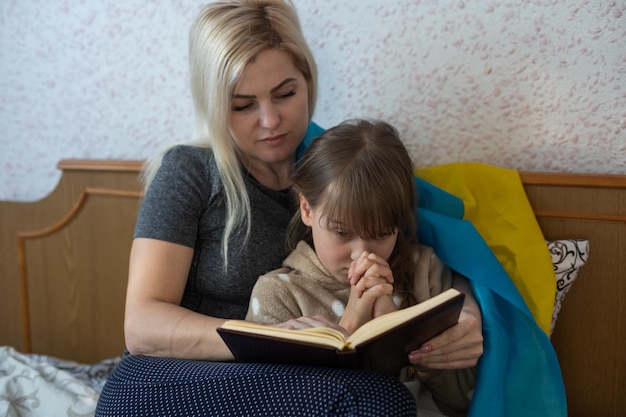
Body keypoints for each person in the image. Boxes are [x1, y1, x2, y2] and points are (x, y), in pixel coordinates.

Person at [95, 1, 482, 416]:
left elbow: (431, 252)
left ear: (308, 81)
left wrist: (468, 319)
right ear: (213, 103)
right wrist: (272, 338)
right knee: (373, 401)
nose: (270, 120)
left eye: (285, 94)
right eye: (243, 105)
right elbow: (141, 326)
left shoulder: (334, 172)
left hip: (291, 379)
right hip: (167, 379)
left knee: (375, 398)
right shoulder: (188, 171)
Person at [246, 119, 480, 417]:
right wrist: (352, 324)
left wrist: (410, 345)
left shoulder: (426, 271)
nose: (362, 254)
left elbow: (462, 402)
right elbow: (268, 402)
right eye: (342, 233)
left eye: (381, 234)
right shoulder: (278, 293)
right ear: (307, 209)